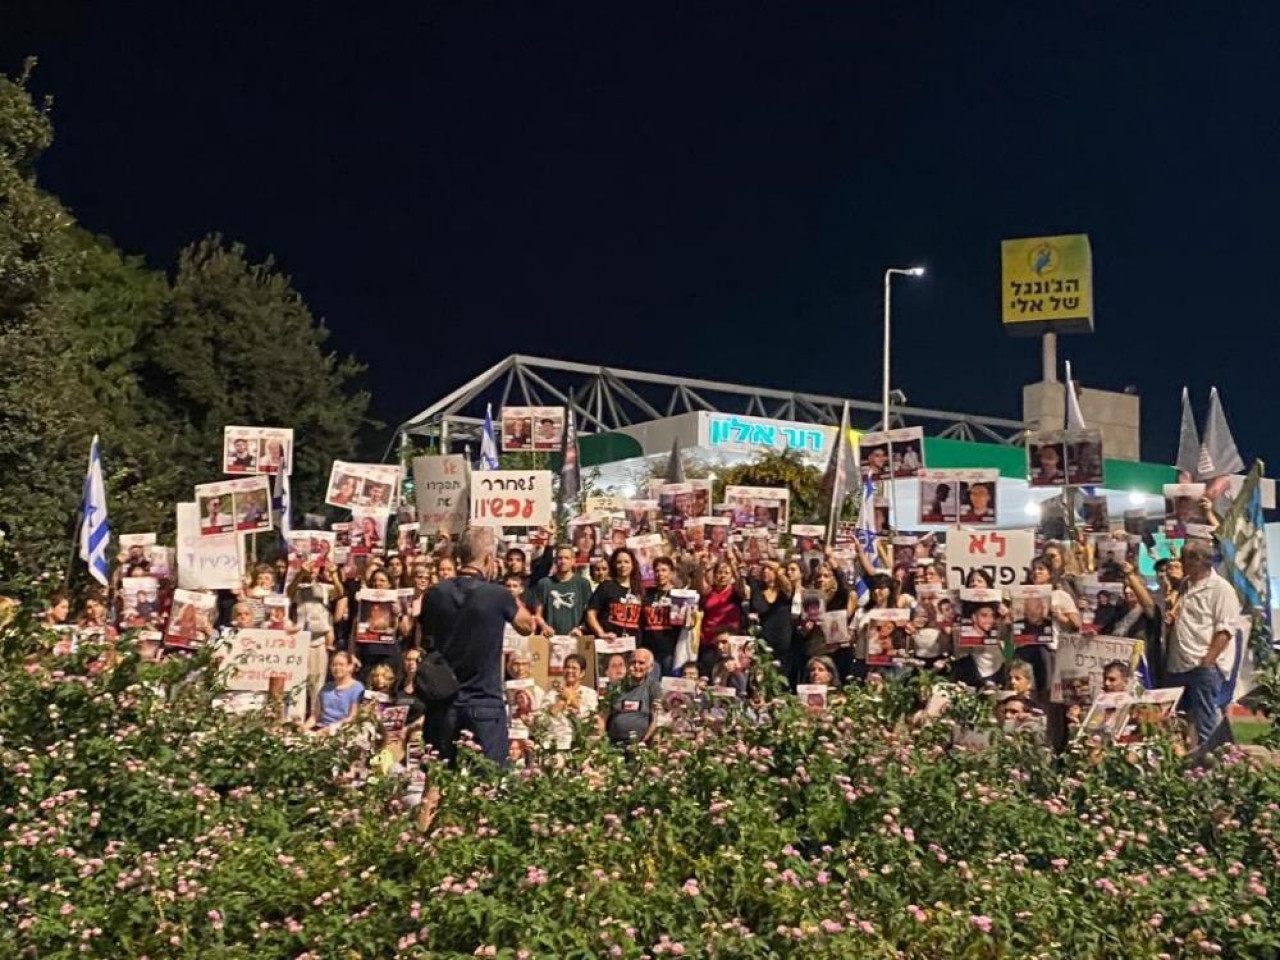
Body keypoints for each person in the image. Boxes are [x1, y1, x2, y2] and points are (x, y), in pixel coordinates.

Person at [418, 528, 535, 765]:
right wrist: (504, 591)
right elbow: (527, 625)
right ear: (489, 559)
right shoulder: (497, 595)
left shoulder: (434, 594)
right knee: (488, 783)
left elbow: (425, 638)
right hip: (483, 702)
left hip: (442, 700)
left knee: (436, 782)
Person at [1164, 539, 1241, 746]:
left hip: (1201, 665)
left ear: (1198, 560)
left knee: (1206, 721)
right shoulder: (1185, 585)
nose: (1181, 562)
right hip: (1178, 664)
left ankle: (1214, 766)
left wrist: (1208, 660)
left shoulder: (1221, 589)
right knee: (1178, 720)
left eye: (1184, 558)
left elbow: (1225, 629)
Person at [697, 555, 747, 679]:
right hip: (709, 642)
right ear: (714, 575)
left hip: (730, 644)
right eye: (719, 572)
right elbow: (700, 585)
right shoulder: (710, 591)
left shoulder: (735, 592)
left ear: (731, 576)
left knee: (730, 677)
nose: (723, 576)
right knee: (708, 677)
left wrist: (734, 566)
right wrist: (701, 567)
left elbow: (743, 588)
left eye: (726, 573)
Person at [748, 560, 796, 685]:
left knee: (781, 679)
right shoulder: (757, 589)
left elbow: (787, 587)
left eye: (769, 569)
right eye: (763, 569)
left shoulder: (785, 593)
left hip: (783, 640)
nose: (765, 572)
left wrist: (779, 570)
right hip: (764, 641)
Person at [604, 647, 663, 746]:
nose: (636, 666)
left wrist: (643, 742)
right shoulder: (616, 686)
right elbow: (604, 716)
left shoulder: (653, 687)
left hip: (640, 744)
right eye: (633, 662)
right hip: (613, 743)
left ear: (650, 667)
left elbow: (655, 719)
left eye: (641, 663)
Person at [535, 544, 593, 637]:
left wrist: (580, 628)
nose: (563, 561)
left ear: (573, 561)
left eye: (567, 558)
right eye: (560, 558)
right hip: (551, 638)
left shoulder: (583, 584)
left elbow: (590, 614)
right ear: (555, 561)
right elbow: (538, 614)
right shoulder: (544, 583)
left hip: (575, 637)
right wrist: (544, 627)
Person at [585, 548, 643, 639]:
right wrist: (601, 633)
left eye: (626, 562)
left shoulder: (639, 589)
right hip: (609, 643)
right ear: (614, 565)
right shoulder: (606, 586)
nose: (623, 565)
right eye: (619, 562)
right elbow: (590, 613)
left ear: (633, 565)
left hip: (633, 644)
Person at [544, 654, 599, 750]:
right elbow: (544, 720)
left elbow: (590, 719)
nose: (569, 671)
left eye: (574, 668)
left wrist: (572, 700)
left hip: (579, 745)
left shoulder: (590, 694)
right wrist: (562, 700)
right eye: (567, 667)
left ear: (582, 673)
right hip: (554, 744)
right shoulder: (551, 695)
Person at [640, 556, 683, 677]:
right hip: (649, 649)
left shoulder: (678, 595)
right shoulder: (648, 594)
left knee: (668, 686)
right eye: (657, 571)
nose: (660, 574)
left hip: (670, 650)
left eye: (664, 570)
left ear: (672, 573)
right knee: (651, 684)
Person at [307, 651, 364, 735]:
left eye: (341, 665)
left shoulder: (357, 688)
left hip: (341, 731)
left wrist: (329, 729)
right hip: (320, 728)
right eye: (334, 665)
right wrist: (303, 728)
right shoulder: (326, 688)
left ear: (350, 667)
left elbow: (352, 717)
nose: (337, 668)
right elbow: (315, 716)